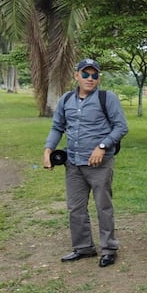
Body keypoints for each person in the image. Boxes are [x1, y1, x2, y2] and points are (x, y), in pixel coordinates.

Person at [43, 58, 129, 268]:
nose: (90, 79)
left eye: (94, 75)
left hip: (100, 164)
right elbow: (57, 128)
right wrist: (48, 150)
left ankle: (109, 249)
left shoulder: (106, 98)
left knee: (103, 206)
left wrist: (102, 146)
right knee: (75, 208)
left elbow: (121, 127)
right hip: (73, 162)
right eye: (85, 74)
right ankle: (83, 248)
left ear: (99, 78)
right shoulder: (65, 100)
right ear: (77, 76)